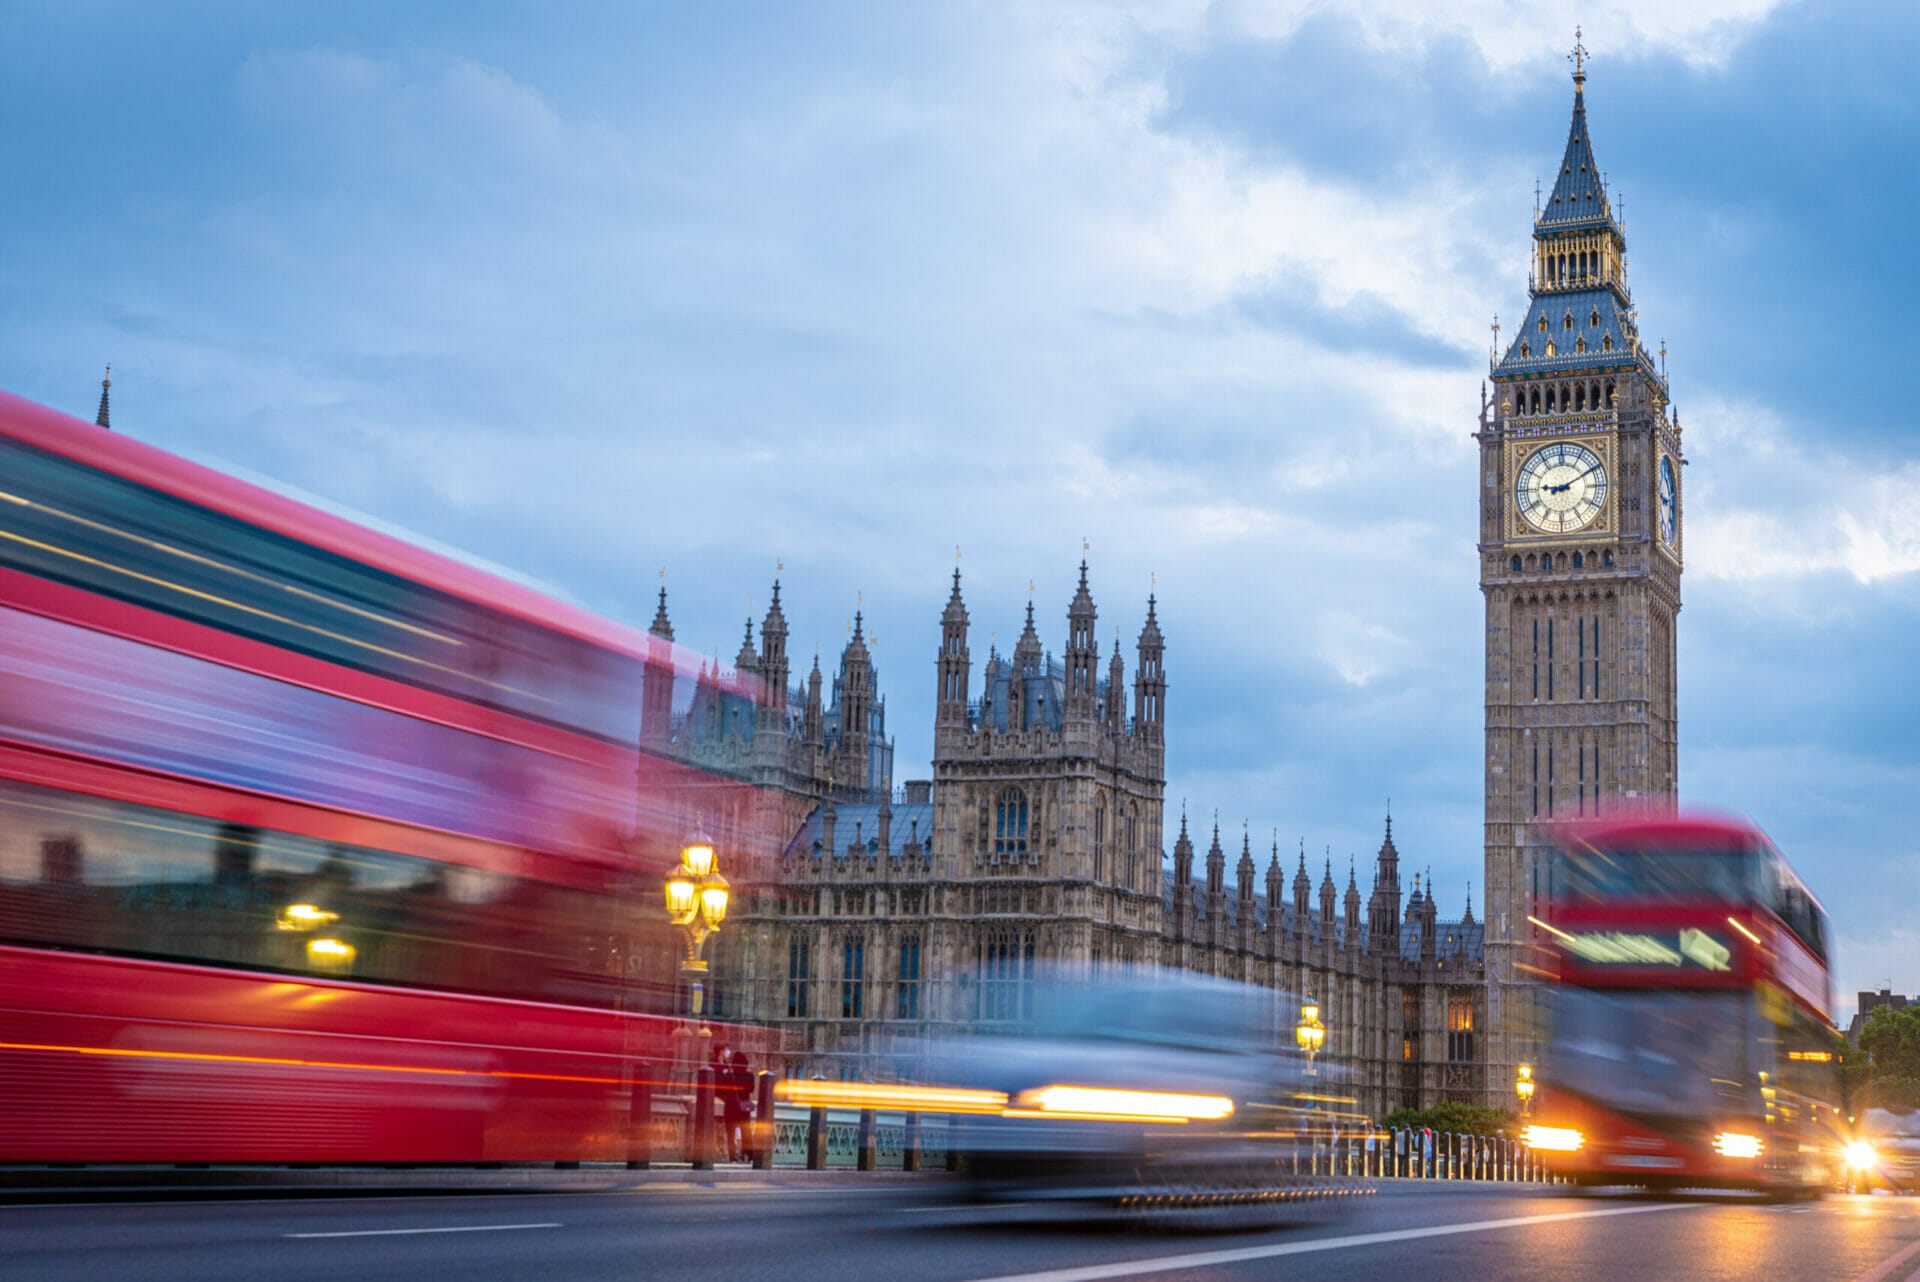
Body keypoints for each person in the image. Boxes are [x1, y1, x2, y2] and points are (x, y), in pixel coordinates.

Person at [717, 1046, 755, 1162]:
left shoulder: (729, 1075)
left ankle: (732, 1158)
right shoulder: (749, 1075)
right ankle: (749, 1156)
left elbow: (724, 1090)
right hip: (744, 1107)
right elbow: (751, 1089)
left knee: (731, 1135)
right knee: (746, 1133)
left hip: (731, 1107)